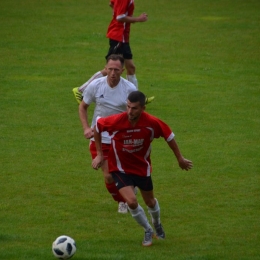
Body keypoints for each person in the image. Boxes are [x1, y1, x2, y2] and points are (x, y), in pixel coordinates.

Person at [92, 91, 193, 246]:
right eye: (128, 107)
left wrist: (180, 158)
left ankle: (157, 223)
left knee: (150, 202)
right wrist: (99, 154)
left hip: (141, 168)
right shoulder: (117, 121)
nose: (129, 111)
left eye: (134, 108)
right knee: (131, 201)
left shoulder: (152, 123)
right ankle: (147, 230)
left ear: (143, 108)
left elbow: (169, 136)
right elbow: (97, 127)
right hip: (119, 168)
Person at [79, 54, 138, 214]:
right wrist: (86, 128)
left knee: (124, 172)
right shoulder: (96, 85)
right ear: (105, 69)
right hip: (100, 137)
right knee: (109, 177)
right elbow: (83, 106)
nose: (113, 73)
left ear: (122, 70)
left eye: (117, 70)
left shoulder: (129, 89)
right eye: (110, 69)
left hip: (121, 138)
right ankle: (123, 198)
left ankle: (127, 195)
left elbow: (136, 114)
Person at [72, 0, 154, 104]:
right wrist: (138, 19)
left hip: (123, 37)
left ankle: (135, 98)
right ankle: (81, 90)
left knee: (131, 68)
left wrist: (121, 12)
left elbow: (112, 4)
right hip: (118, 36)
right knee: (111, 69)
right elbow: (120, 17)